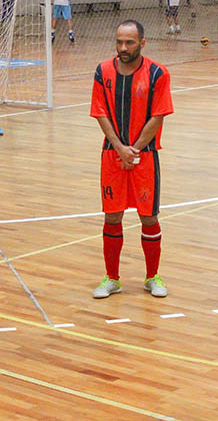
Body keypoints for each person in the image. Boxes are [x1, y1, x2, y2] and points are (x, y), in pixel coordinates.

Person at [89, 20, 174, 299]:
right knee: (112, 215)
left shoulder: (158, 73)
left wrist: (133, 150)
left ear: (142, 43)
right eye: (119, 42)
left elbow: (158, 116)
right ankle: (112, 278)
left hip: (144, 157)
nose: (123, 48)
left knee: (148, 217)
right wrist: (119, 148)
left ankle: (152, 277)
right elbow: (100, 112)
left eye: (129, 42)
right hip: (112, 156)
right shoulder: (102, 71)